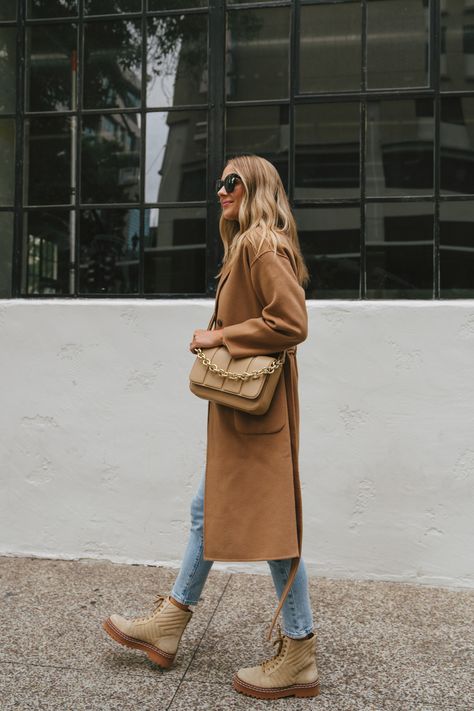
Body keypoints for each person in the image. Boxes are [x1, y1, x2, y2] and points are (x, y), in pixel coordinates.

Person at [102, 154, 320, 700]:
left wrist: (219, 337)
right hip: (245, 411)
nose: (221, 191)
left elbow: (291, 323)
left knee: (274, 528)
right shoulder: (246, 245)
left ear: (258, 187)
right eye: (219, 183)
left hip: (257, 412)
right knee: (212, 510)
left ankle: (297, 652)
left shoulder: (261, 244)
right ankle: (172, 623)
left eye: (232, 182)